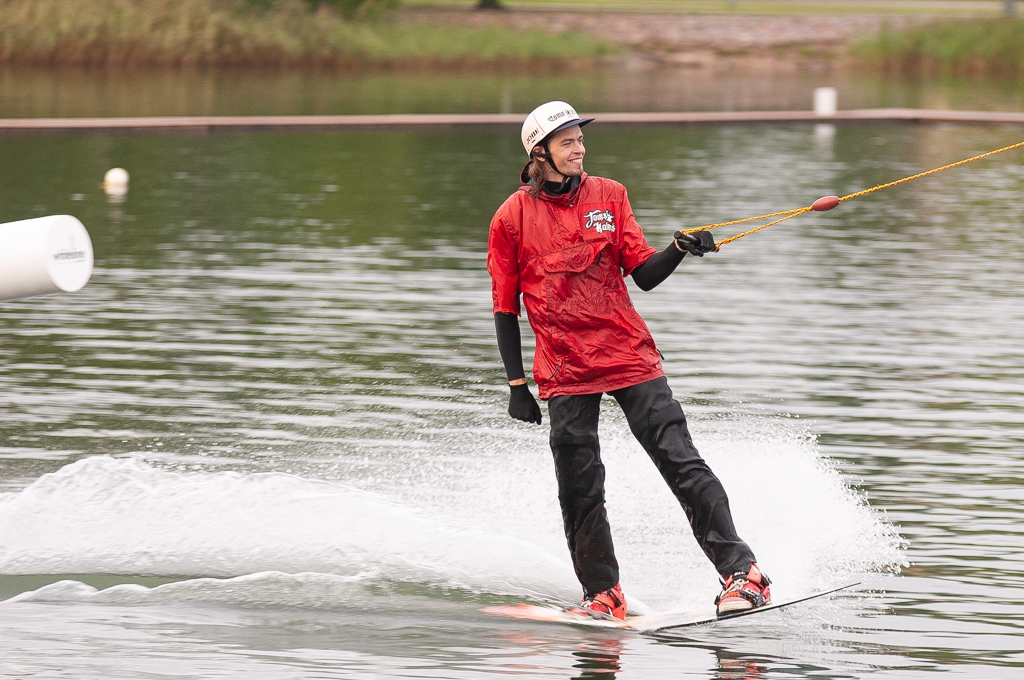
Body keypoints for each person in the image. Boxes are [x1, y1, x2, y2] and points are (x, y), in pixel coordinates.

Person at [486, 101, 771, 620]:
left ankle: (743, 574)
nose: (579, 148)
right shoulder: (511, 217)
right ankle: (603, 594)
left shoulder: (609, 195)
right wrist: (515, 385)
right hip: (565, 369)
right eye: (567, 141)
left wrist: (680, 247)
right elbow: (505, 308)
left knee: (679, 460)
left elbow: (643, 273)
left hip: (627, 354)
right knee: (579, 486)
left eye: (579, 138)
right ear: (540, 152)